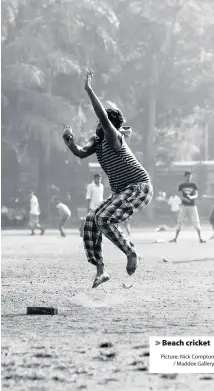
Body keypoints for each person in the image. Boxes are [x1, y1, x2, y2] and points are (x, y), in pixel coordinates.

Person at [63, 70, 153, 288]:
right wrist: (70, 143)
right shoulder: (98, 140)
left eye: (100, 122)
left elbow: (103, 116)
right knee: (90, 221)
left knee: (103, 219)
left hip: (139, 187)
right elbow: (81, 152)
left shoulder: (114, 137)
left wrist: (89, 89)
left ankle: (132, 253)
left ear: (107, 125)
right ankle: (101, 269)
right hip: (122, 191)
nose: (97, 125)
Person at [170, 172, 205, 243]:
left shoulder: (193, 185)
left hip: (192, 206)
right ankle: (175, 239)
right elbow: (180, 195)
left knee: (196, 221)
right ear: (185, 177)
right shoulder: (181, 186)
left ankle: (200, 238)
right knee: (180, 221)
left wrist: (191, 197)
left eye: (190, 176)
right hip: (184, 206)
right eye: (188, 176)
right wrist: (185, 199)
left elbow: (196, 195)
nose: (189, 178)